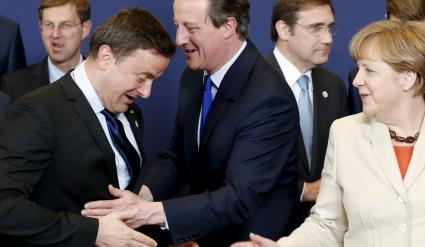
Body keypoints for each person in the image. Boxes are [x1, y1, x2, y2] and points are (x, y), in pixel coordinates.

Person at [232, 20, 425, 247]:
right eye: (358, 69)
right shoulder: (345, 133)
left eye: (369, 70)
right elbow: (327, 225)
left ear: (407, 78)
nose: (356, 80)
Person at [81, 0, 300, 246]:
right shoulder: (193, 77)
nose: (179, 38)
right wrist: (139, 198)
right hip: (200, 233)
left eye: (190, 28)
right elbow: (178, 155)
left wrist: (149, 212)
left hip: (246, 239)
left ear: (228, 26)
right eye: (177, 26)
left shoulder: (269, 97)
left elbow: (239, 197)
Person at [0, 8, 175, 246]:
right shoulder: (38, 112)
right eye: (142, 77)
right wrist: (92, 232)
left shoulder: (131, 111)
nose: (147, 92)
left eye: (154, 80)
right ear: (106, 56)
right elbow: (4, 206)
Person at [264, 0, 348, 227]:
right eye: (316, 28)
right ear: (284, 30)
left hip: (323, 230)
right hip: (263, 230)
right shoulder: (251, 82)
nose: (328, 38)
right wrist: (303, 190)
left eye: (330, 27)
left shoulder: (334, 86)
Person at [0, 0, 91, 100]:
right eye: (49, 25)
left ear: (85, 29)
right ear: (41, 27)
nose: (55, 34)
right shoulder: (13, 86)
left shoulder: (102, 82)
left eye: (66, 25)